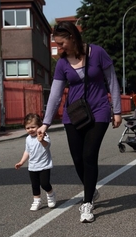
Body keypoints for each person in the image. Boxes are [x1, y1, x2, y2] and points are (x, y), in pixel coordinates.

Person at [37, 21, 122, 223]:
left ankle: (87, 203)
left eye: (61, 43)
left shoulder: (98, 53)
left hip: (99, 110)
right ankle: (90, 188)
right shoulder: (62, 64)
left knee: (89, 154)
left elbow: (112, 81)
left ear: (72, 37)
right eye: (56, 44)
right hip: (73, 114)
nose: (59, 48)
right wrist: (45, 123)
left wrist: (116, 110)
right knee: (77, 159)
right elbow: (55, 95)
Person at [15, 113, 56, 211]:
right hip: (32, 166)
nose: (30, 130)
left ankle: (51, 194)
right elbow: (27, 151)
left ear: (40, 126)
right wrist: (21, 162)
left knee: (45, 183)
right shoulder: (28, 139)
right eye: (27, 128)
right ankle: (37, 201)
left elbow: (47, 145)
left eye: (33, 127)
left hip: (44, 165)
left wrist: (41, 140)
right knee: (35, 185)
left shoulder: (43, 135)